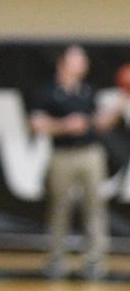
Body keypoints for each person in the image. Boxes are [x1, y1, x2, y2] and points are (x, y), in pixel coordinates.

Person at [30, 45, 127, 281]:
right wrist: (64, 125)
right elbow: (36, 124)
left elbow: (99, 124)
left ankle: (95, 260)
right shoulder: (48, 91)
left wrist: (122, 101)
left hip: (90, 153)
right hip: (62, 155)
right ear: (62, 63)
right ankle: (56, 259)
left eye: (83, 59)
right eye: (77, 58)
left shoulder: (87, 92)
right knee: (59, 208)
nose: (83, 63)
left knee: (94, 208)